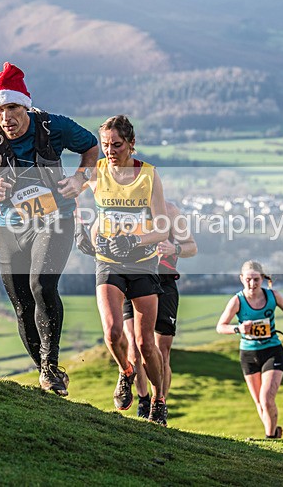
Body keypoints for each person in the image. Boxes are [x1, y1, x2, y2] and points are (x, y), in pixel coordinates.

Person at [0, 62, 98, 396]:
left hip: (55, 219)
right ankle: (48, 374)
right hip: (10, 227)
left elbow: (91, 147)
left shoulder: (52, 127)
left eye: (12, 108)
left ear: (26, 106)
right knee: (21, 303)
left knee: (40, 284)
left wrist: (81, 179)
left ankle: (50, 367)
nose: (6, 117)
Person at [82, 115, 170, 425]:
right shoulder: (96, 171)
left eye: (116, 145)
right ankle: (125, 371)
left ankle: (159, 399)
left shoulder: (148, 175)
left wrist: (134, 239)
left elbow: (162, 227)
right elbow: (69, 198)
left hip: (143, 262)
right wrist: (87, 234)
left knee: (146, 343)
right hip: (108, 262)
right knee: (113, 332)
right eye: (105, 145)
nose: (110, 151)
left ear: (131, 144)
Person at [122, 201, 197, 418]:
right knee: (134, 347)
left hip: (163, 282)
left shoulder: (170, 211)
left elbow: (192, 247)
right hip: (133, 279)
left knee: (161, 352)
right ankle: (143, 401)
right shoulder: (124, 207)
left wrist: (175, 249)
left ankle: (159, 403)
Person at [216, 261, 283, 439]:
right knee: (259, 404)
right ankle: (274, 432)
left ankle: (270, 439)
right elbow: (220, 326)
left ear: (262, 278)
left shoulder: (272, 296)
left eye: (256, 279)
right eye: (248, 279)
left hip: (272, 350)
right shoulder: (237, 301)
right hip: (248, 354)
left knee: (266, 399)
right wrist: (239, 328)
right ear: (241, 279)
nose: (252, 284)